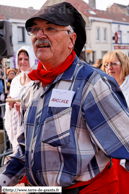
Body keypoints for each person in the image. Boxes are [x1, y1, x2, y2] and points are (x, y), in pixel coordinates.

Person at [0, 2, 129, 193]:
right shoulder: (31, 91)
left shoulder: (93, 84)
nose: (40, 35)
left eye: (50, 28)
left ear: (72, 39)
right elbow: (23, 150)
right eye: (35, 29)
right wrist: (3, 181)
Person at [102, 50, 129, 194]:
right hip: (108, 150)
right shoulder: (104, 87)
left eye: (113, 64)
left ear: (124, 66)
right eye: (106, 64)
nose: (109, 68)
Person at [4, 46, 35, 152]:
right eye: (20, 59)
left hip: (30, 130)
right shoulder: (15, 80)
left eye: (26, 59)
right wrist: (10, 103)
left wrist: (23, 107)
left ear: (31, 59)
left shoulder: (36, 80)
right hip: (15, 126)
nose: (23, 62)